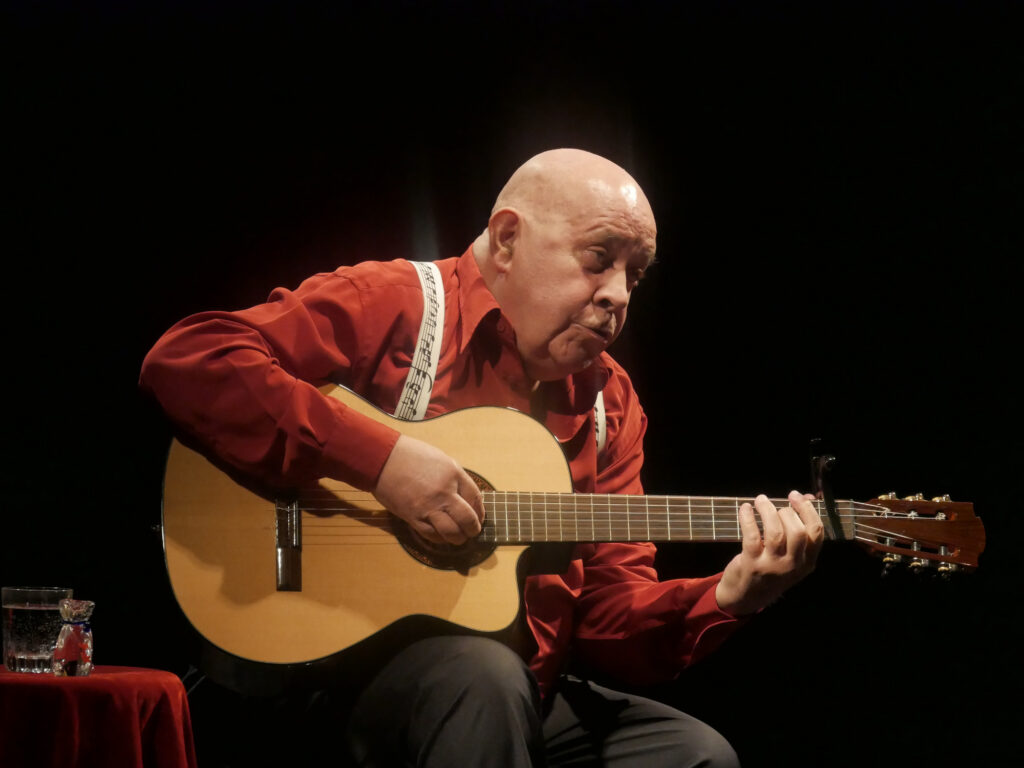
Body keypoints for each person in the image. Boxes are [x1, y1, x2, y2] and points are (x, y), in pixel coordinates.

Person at [140, 148, 824, 767]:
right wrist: (383, 462)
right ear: (506, 238)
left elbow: (609, 615)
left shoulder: (608, 402)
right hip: (329, 676)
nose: (618, 293)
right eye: (598, 258)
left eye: (634, 274)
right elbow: (190, 360)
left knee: (697, 756)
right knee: (484, 678)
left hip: (509, 694)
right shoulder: (400, 306)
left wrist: (729, 598)